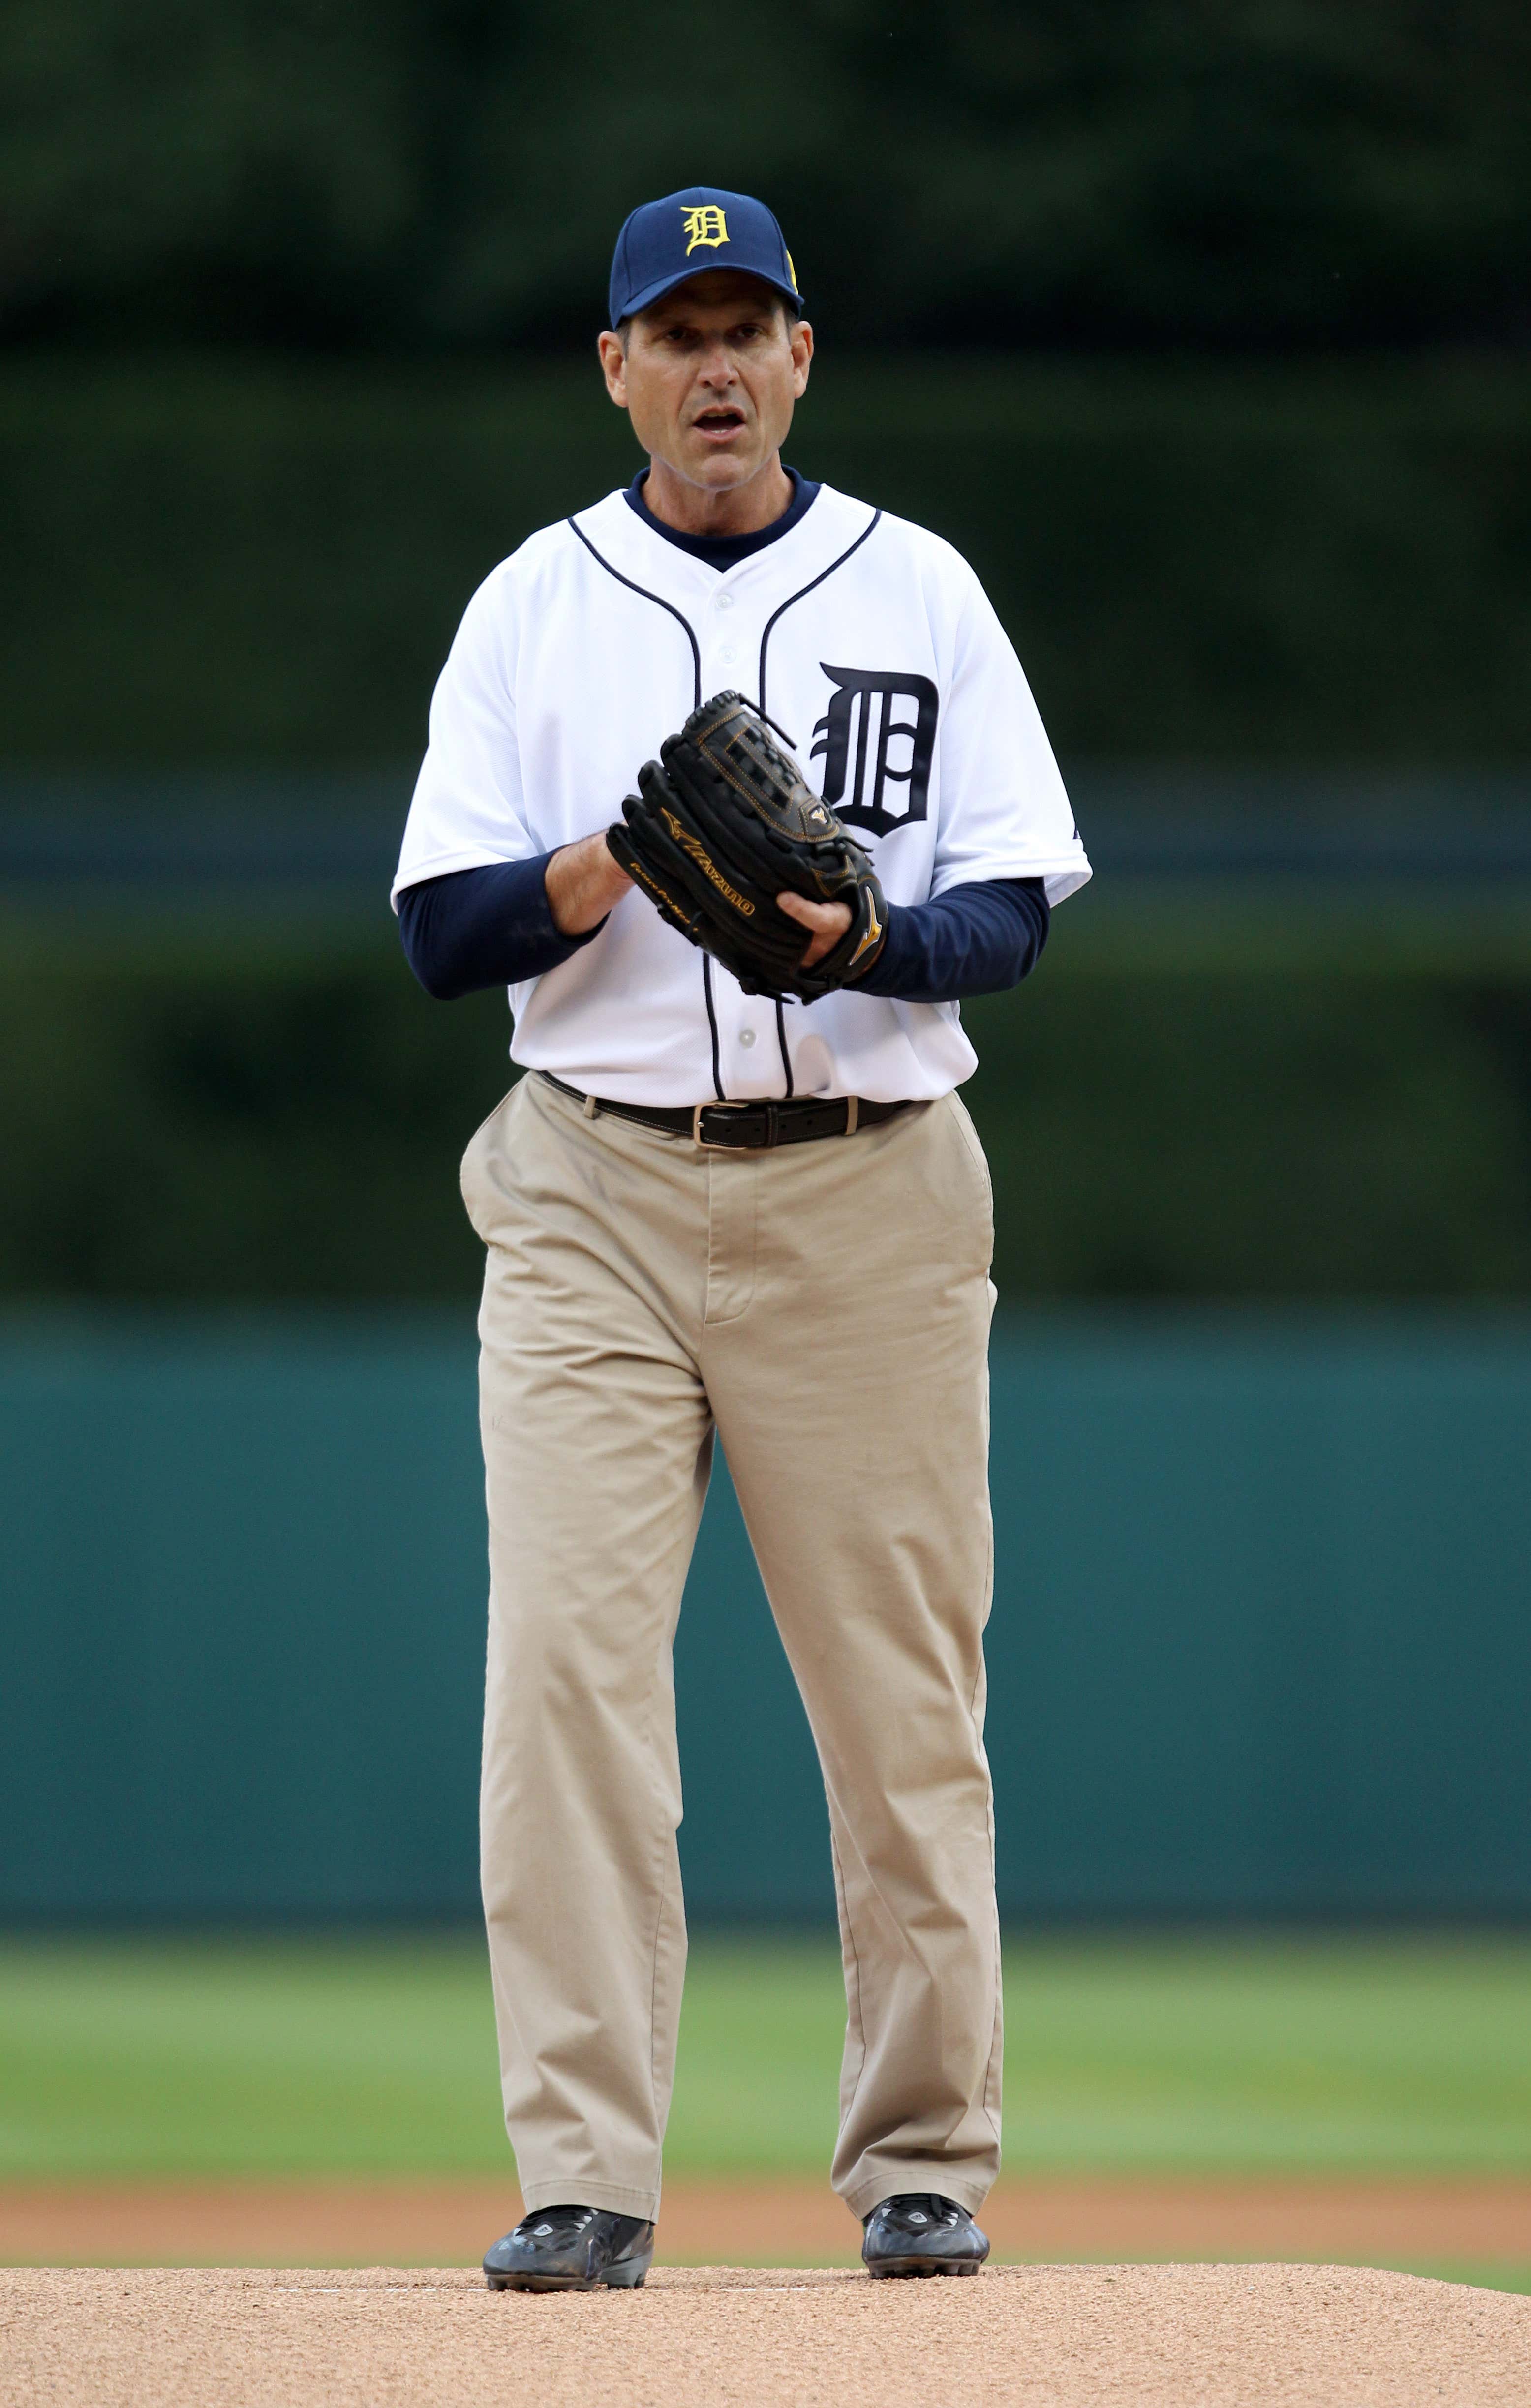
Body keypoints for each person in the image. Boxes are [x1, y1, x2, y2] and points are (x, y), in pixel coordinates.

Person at [394, 185, 1091, 2292]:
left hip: (866, 1186)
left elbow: (1017, 906)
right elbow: (443, 930)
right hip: (589, 1185)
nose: (710, 363)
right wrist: (611, 859)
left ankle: (922, 2162)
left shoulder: (927, 590)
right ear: (612, 367)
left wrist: (871, 931)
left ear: (802, 355)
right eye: (669, 329)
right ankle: (585, 2176)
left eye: (744, 325)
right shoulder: (534, 602)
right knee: (566, 1685)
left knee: (898, 1703)